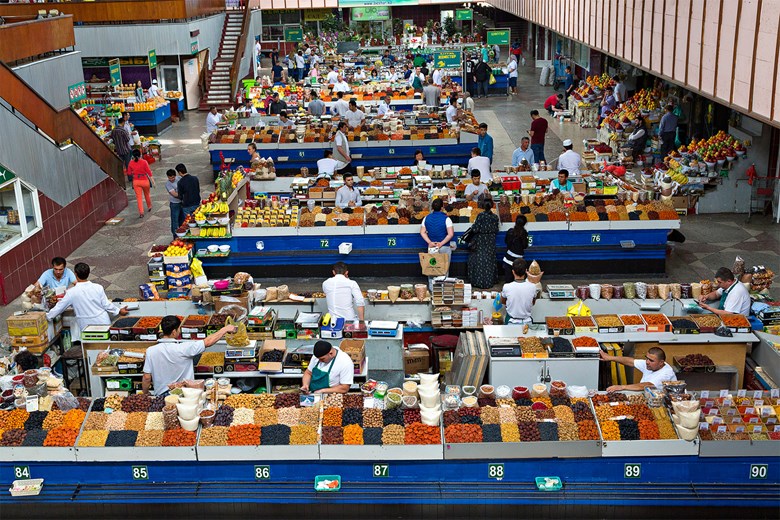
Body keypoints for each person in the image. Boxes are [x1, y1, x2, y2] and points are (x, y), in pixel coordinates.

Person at [142, 315, 236, 396]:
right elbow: (208, 342)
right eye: (179, 328)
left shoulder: (150, 351)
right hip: (185, 394)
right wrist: (225, 329)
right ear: (174, 332)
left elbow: (146, 377)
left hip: (162, 395)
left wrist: (146, 394)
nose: (180, 331)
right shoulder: (183, 348)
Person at [46, 262, 129, 338]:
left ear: (75, 274)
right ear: (88, 273)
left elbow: (59, 307)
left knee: (90, 348)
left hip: (86, 326)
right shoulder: (98, 287)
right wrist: (119, 311)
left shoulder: (71, 292)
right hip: (102, 322)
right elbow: (106, 304)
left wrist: (47, 316)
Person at [600, 347, 676, 392]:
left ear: (661, 362)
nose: (647, 362)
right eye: (647, 358)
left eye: (651, 360)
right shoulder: (650, 365)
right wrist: (610, 358)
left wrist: (622, 387)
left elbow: (646, 385)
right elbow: (630, 361)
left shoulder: (666, 373)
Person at [420, 198, 454, 285]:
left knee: (431, 268)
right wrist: (441, 244)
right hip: (444, 248)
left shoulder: (426, 218)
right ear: (442, 207)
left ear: (432, 208)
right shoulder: (447, 219)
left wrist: (430, 242)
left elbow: (422, 232)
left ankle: (432, 290)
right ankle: (442, 290)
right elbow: (450, 234)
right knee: (444, 269)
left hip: (431, 248)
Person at [467, 200, 500, 289]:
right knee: (489, 261)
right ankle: (490, 281)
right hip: (490, 242)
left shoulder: (481, 216)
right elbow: (496, 229)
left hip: (481, 241)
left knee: (480, 261)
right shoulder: (495, 217)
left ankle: (479, 282)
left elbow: (475, 228)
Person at [500, 258, 537, 324]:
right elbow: (533, 302)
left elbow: (503, 301)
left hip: (511, 322)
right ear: (526, 271)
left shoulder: (506, 287)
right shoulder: (533, 287)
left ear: (513, 271)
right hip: (528, 323)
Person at [127, 149, 155, 218]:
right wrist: (153, 182)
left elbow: (129, 173)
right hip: (145, 181)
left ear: (133, 156)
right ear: (140, 154)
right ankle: (149, 206)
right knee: (147, 194)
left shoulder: (131, 163)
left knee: (139, 197)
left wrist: (134, 173)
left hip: (136, 181)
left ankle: (141, 212)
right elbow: (149, 172)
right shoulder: (144, 162)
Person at [502, 215, 528, 283]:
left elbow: (506, 242)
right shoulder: (524, 233)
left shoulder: (510, 231)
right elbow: (525, 246)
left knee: (508, 280)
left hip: (508, 259)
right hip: (519, 261)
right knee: (519, 281)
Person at [165, 170, 183, 239]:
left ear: (175, 176)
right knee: (175, 220)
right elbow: (174, 194)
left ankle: (182, 234)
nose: (171, 179)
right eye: (170, 178)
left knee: (182, 219)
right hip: (174, 204)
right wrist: (184, 195)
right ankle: (175, 236)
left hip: (182, 202)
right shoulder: (168, 184)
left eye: (173, 177)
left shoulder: (179, 179)